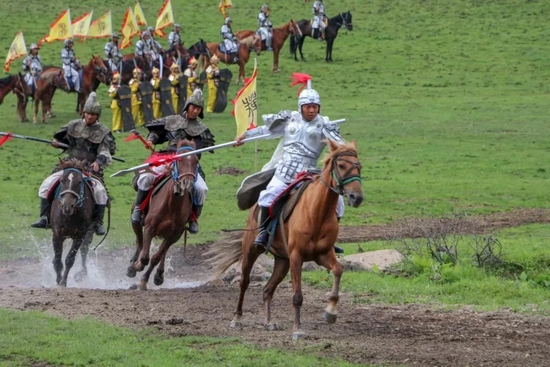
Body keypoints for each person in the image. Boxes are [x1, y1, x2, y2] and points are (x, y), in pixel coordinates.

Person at [235, 76, 346, 253]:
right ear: (300, 107)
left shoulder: (324, 125)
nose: (311, 110)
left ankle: (329, 239)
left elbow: (339, 144)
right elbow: (266, 131)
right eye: (308, 107)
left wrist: (347, 152)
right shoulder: (289, 120)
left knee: (338, 202)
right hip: (284, 173)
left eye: (315, 107)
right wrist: (245, 136)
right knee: (268, 195)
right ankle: (264, 232)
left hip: (309, 175)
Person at [31, 92, 116, 236]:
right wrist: (58, 145)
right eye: (87, 114)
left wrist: (98, 162)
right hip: (69, 164)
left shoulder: (103, 132)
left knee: (100, 192)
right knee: (46, 185)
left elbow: (105, 151)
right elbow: (67, 144)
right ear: (84, 113)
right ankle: (44, 217)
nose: (89, 117)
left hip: (89, 168)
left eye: (93, 115)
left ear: (97, 116)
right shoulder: (73, 125)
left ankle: (98, 223)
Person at [131, 89, 215, 234]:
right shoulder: (172, 120)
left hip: (188, 164)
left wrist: (184, 160)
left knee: (202, 189)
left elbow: (198, 153)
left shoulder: (202, 130)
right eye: (193, 107)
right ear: (187, 106)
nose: (195, 110)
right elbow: (157, 133)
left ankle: (193, 218)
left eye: (198, 108)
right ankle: (139, 208)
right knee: (145, 177)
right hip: (166, 158)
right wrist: (151, 140)